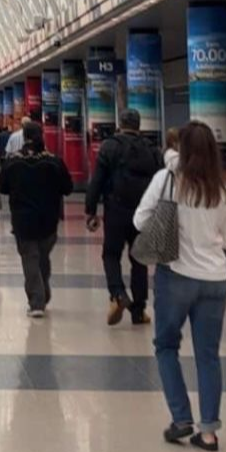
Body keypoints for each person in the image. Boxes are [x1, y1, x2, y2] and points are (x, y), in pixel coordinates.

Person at [136, 121, 226, 452]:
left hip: (176, 275)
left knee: (167, 346)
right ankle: (208, 432)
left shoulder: (166, 180)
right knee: (208, 355)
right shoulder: (220, 190)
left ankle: (181, 419)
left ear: (182, 149)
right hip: (215, 281)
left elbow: (139, 220)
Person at [86, 109, 163, 326]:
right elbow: (161, 182)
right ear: (139, 125)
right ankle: (139, 311)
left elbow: (97, 181)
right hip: (143, 212)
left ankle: (118, 295)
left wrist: (91, 210)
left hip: (116, 210)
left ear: (121, 124)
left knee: (111, 254)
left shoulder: (110, 146)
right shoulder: (151, 149)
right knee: (139, 259)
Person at [0, 121, 73, 317]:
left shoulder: (13, 161)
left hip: (23, 219)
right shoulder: (54, 161)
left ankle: (37, 302)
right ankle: (42, 291)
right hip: (49, 219)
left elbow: (1, 186)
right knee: (42, 255)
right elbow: (68, 187)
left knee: (30, 258)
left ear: (24, 136)